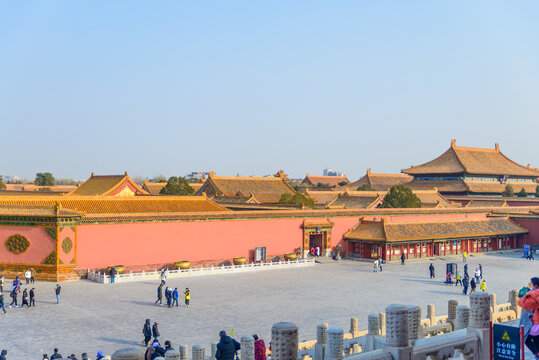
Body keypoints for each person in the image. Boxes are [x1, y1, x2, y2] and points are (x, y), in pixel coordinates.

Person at [518, 277, 539, 357]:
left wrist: (521, 298)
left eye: (530, 284)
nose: (529, 286)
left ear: (536, 286)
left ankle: (537, 355)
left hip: (536, 322)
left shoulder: (534, 295)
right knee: (536, 339)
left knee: (526, 338)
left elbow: (526, 305)